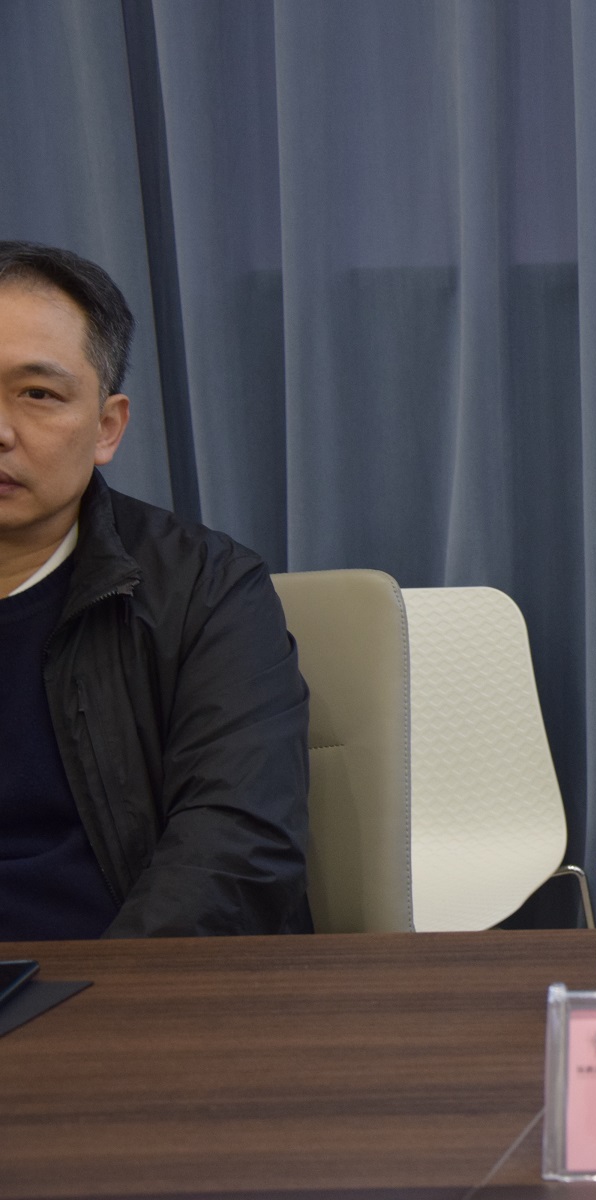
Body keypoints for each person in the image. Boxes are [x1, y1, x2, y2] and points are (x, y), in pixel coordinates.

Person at [0, 241, 310, 939]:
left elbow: (237, 845)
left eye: (38, 394)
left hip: (120, 978)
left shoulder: (207, 590)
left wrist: (117, 990)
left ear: (107, 427)